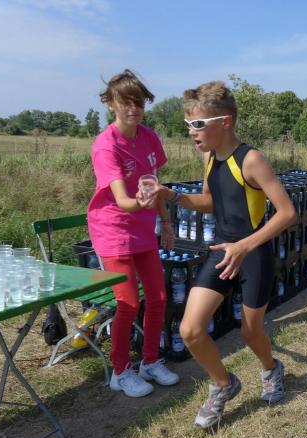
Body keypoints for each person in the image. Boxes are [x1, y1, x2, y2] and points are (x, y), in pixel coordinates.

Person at [153, 81, 297, 429]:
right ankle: (223, 384)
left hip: (253, 254)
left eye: (198, 123)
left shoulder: (252, 159)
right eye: (188, 123)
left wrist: (244, 246)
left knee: (251, 333)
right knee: (190, 330)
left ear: (225, 122)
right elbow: (211, 202)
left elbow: (287, 213)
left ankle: (270, 369)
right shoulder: (208, 157)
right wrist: (173, 196)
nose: (191, 131)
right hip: (220, 250)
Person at [87, 69, 180, 397]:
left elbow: (154, 185)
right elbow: (123, 200)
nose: (133, 109)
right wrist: (139, 201)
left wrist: (165, 221)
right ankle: (120, 371)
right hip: (113, 230)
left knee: (158, 298)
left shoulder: (149, 137)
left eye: (138, 102)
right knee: (127, 303)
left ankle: (150, 362)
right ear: (111, 104)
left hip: (142, 230)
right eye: (125, 102)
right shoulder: (106, 146)